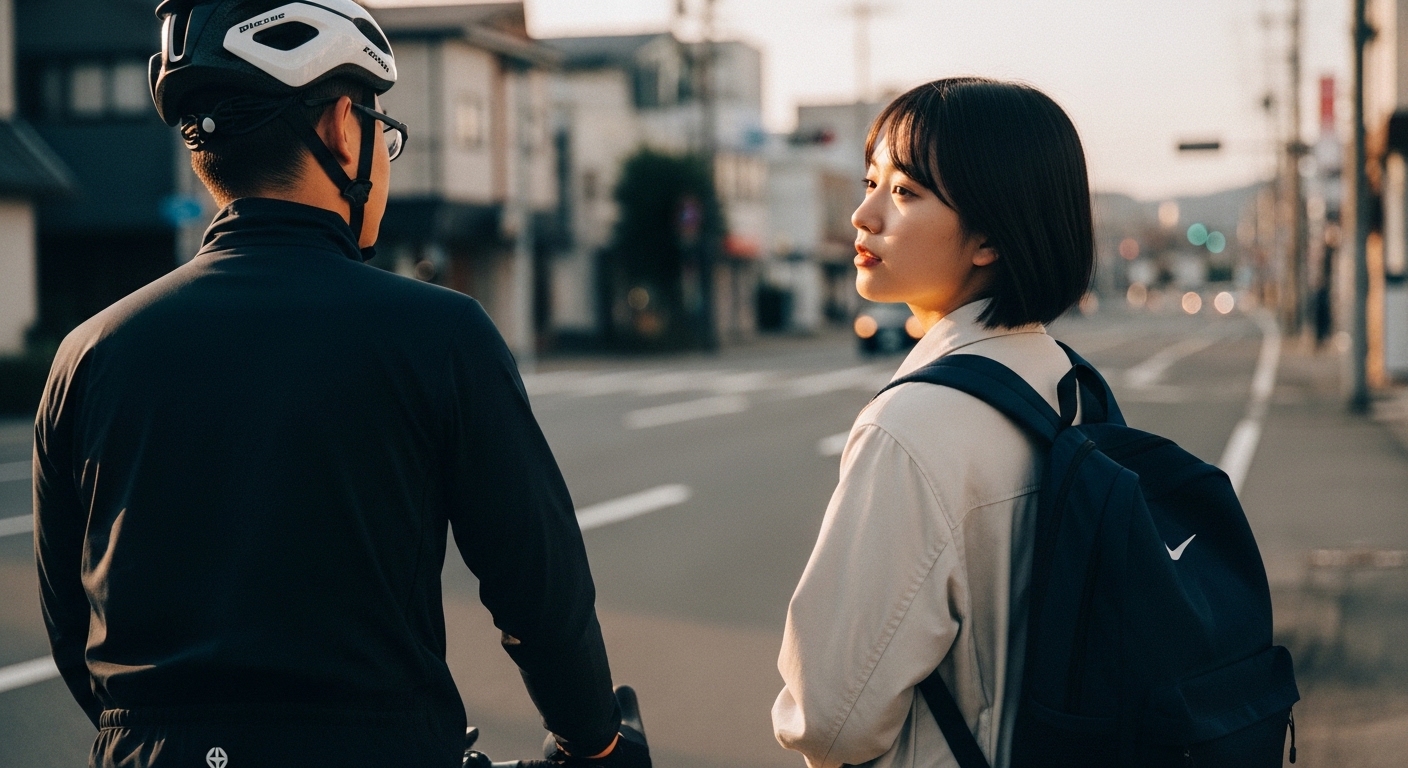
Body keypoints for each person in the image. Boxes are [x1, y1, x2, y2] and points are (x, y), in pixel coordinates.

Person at [32, 2, 648, 766]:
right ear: (341, 129)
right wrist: (596, 742)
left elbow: (71, 626)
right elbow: (540, 592)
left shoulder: (87, 356)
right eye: (382, 131)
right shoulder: (440, 335)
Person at [771, 78, 1096, 768]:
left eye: (904, 192)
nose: (863, 215)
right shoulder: (1067, 383)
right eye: (871, 182)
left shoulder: (911, 428)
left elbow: (832, 719)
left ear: (989, 237)